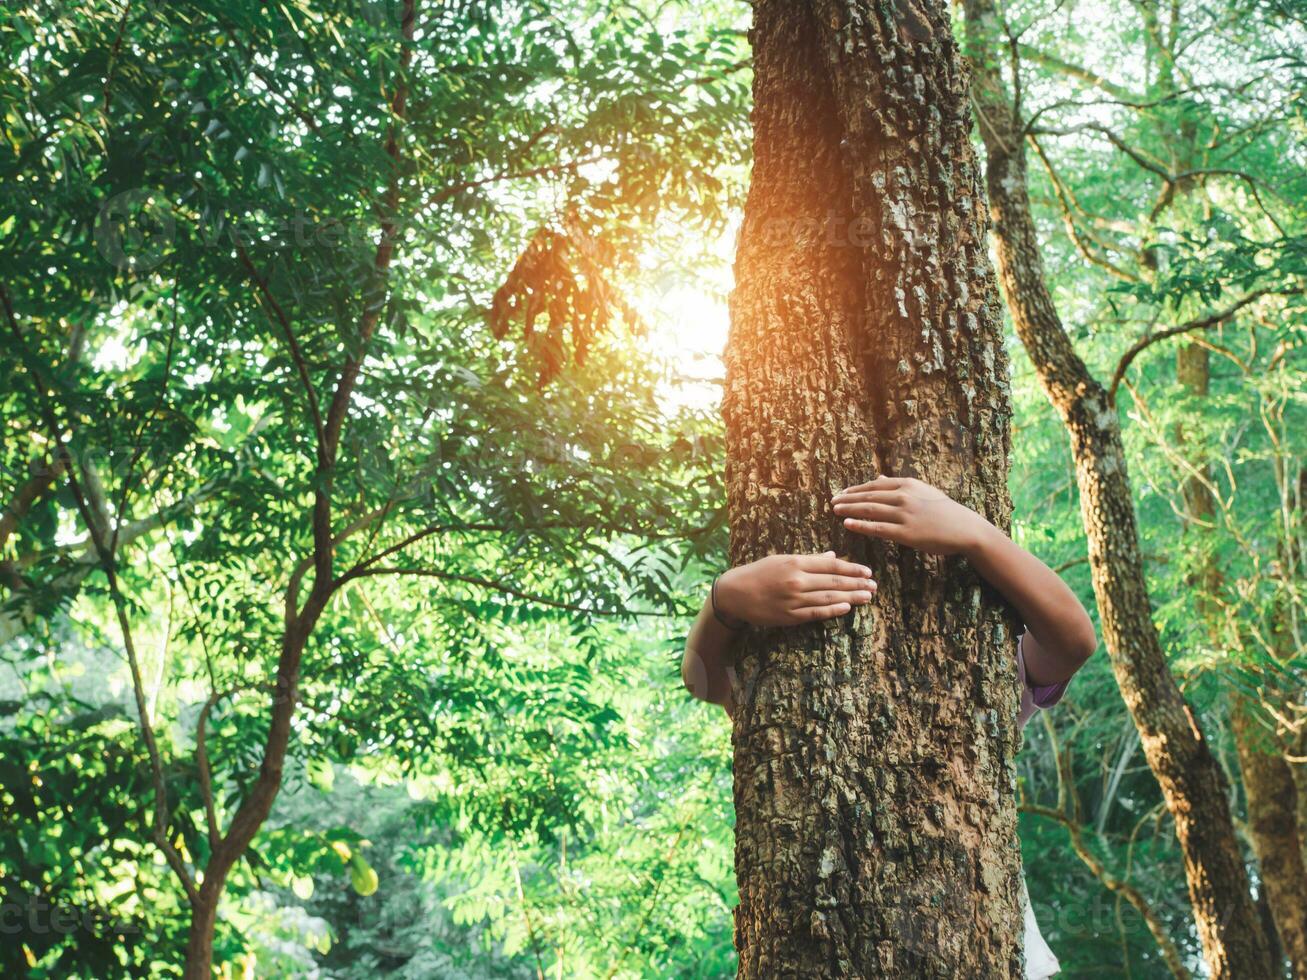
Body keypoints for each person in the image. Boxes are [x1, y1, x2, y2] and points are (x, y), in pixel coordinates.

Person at [681, 475, 1097, 979]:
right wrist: (723, 602)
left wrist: (976, 534)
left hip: (976, 947)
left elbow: (1073, 641)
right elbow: (708, 682)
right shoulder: (776, 680)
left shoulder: (987, 675)